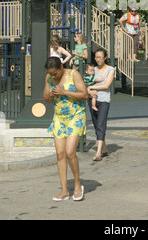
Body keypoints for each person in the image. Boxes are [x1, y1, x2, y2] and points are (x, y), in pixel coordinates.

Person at [43, 56, 88, 202]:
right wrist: (51, 93)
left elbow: (84, 94)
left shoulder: (74, 74)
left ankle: (77, 185)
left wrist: (65, 92)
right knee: (60, 154)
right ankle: (64, 190)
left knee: (70, 152)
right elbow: (46, 99)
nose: (53, 76)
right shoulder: (49, 78)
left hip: (75, 116)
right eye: (51, 74)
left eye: (55, 73)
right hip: (59, 118)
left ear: (61, 67)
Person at [87, 49, 115, 161]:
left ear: (105, 58)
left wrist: (92, 87)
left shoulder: (111, 70)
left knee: (101, 123)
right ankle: (104, 148)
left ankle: (98, 152)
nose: (98, 59)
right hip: (92, 99)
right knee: (96, 123)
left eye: (100, 57)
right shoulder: (92, 70)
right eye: (96, 57)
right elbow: (86, 83)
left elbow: (106, 85)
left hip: (104, 100)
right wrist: (89, 90)